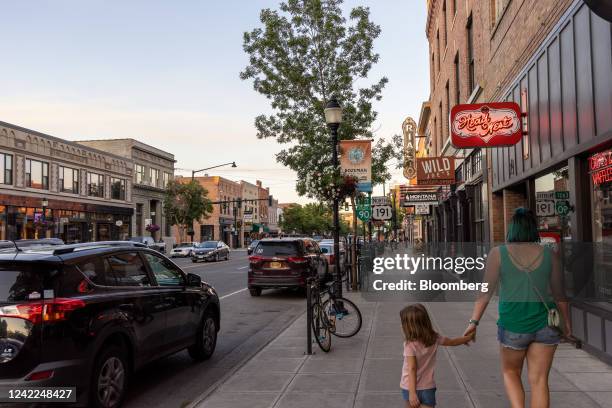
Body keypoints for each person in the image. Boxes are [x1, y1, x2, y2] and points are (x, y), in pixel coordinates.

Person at [464, 207, 571, 408]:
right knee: (539, 381)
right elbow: (560, 295)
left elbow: (485, 292)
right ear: (533, 230)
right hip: (546, 325)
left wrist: (474, 322)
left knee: (511, 373)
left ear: (511, 229)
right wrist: (567, 324)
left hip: (513, 325)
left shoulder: (498, 254)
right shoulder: (550, 255)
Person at [400, 303, 474, 408]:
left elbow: (412, 368)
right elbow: (452, 342)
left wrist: (412, 393)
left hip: (409, 387)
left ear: (409, 326)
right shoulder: (434, 337)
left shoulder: (409, 345)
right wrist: (467, 338)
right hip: (427, 386)